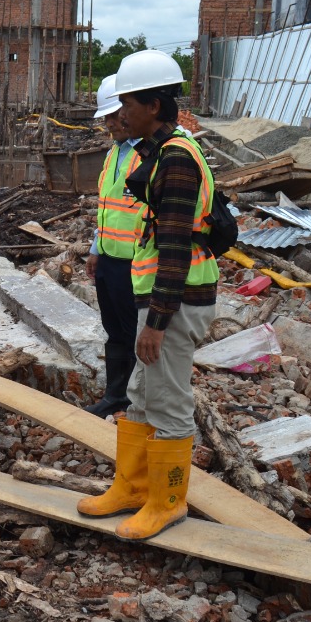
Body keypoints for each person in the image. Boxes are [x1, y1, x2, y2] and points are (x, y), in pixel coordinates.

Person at [76, 50, 217, 541]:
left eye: (128, 105)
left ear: (154, 104)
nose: (122, 114)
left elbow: (176, 247)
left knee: (169, 401)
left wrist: (157, 323)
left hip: (175, 300)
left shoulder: (176, 158)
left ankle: (167, 500)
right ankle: (132, 487)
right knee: (138, 394)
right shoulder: (156, 150)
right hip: (153, 295)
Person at [84, 74, 145, 418]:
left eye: (112, 116)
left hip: (136, 264)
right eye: (105, 118)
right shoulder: (114, 155)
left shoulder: (150, 155)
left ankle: (136, 400)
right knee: (114, 332)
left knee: (134, 332)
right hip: (109, 259)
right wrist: (96, 248)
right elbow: (107, 207)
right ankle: (115, 395)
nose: (108, 125)